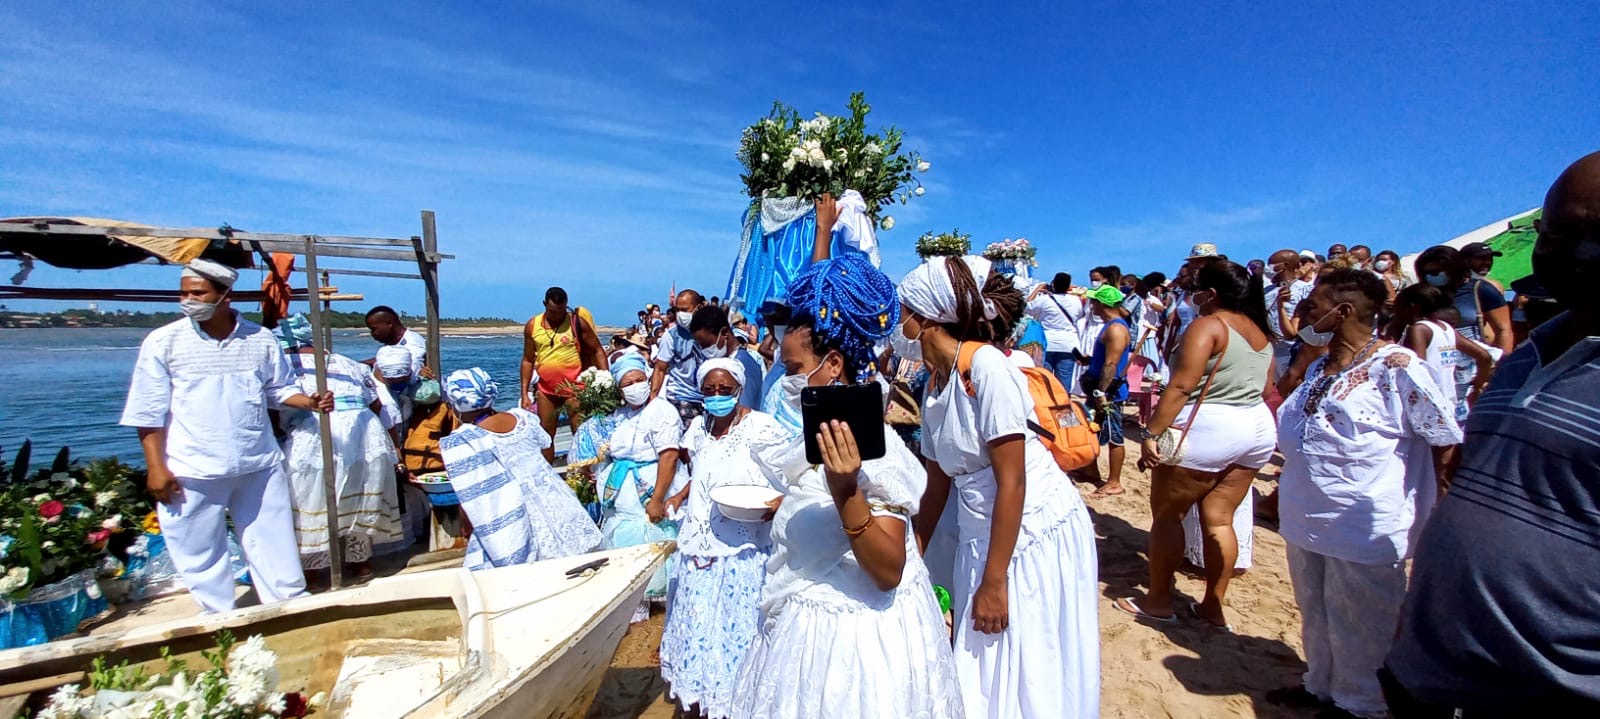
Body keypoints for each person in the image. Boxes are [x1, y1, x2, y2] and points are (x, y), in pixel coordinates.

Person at [1383, 150, 1600, 717]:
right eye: (1553, 231)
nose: (1560, 250)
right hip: (1431, 671)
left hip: (1548, 693)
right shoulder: (1523, 361)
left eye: (1589, 233)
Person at [730, 251, 961, 719]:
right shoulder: (819, 438)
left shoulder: (876, 455)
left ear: (832, 364)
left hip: (851, 649)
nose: (786, 382)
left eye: (793, 371)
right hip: (805, 631)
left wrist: (845, 490)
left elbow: (887, 569)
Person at [902, 255, 1100, 719]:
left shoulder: (987, 369)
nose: (899, 321)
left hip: (1027, 536)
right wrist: (913, 551)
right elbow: (936, 484)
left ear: (928, 318)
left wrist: (995, 581)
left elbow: (1014, 481)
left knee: (1027, 656)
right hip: (982, 534)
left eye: (905, 310)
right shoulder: (933, 383)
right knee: (984, 656)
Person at [1268, 269, 1461, 718]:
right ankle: (1320, 684)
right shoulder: (1318, 366)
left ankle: (1362, 705)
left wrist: (1441, 508)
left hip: (1366, 520)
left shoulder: (1397, 366)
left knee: (1363, 618)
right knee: (1314, 607)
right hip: (1307, 512)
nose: (1303, 315)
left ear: (1344, 311)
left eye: (1312, 307)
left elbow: (1443, 438)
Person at [120, 259, 332, 613]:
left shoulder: (259, 339)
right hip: (193, 465)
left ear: (224, 296)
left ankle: (288, 606)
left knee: (273, 539)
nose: (188, 299)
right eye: (184, 292)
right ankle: (217, 613)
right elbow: (148, 410)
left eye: (198, 293)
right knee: (197, 547)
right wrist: (155, 467)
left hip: (257, 461)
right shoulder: (164, 342)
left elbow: (279, 390)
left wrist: (309, 401)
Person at [1113, 261, 1276, 629]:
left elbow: (1181, 385)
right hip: (1255, 426)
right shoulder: (1260, 332)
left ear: (1211, 294)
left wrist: (1152, 432)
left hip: (1211, 426)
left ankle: (1157, 600)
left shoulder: (1210, 325)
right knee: (1220, 520)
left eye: (1197, 289)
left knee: (1168, 516)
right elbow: (1267, 389)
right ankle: (1212, 606)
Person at [660, 358, 788, 719]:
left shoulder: (762, 428)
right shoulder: (698, 429)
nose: (717, 396)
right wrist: (680, 496)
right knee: (698, 626)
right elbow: (701, 470)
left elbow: (792, 471)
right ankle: (700, 698)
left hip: (742, 549)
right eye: (710, 391)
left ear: (738, 389)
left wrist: (779, 501)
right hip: (699, 543)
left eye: (724, 390)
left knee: (737, 630)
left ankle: (736, 700)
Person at [272, 314, 404, 579]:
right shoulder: (347, 362)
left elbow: (276, 409)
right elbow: (376, 404)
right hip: (365, 433)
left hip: (319, 432)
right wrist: (394, 446)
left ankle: (314, 568)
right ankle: (360, 562)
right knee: (360, 494)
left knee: (311, 496)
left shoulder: (287, 366)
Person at [438, 368, 602, 569]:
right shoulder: (522, 418)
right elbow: (544, 443)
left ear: (458, 403)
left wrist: (467, 524)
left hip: (511, 509)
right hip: (555, 499)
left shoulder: (466, 439)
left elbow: (472, 490)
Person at [569, 353, 683, 622]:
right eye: (628, 383)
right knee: (626, 543)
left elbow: (669, 456)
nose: (635, 386)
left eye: (639, 379)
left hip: (650, 486)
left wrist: (657, 498)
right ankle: (635, 605)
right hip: (622, 495)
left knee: (654, 538)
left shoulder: (661, 411)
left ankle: (663, 607)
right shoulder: (617, 417)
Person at [519, 287, 607, 462]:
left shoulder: (577, 322)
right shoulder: (532, 326)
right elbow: (528, 360)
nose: (558, 315)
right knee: (545, 435)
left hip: (575, 389)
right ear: (545, 305)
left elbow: (598, 350)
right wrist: (524, 393)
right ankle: (547, 477)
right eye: (553, 311)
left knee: (581, 432)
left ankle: (584, 475)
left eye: (562, 311)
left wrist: (606, 380)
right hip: (546, 390)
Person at [1391, 284, 1495, 424]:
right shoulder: (1445, 328)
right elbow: (1484, 356)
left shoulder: (1419, 329)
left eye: (1398, 306)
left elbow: (1417, 371)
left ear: (1413, 306)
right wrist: (1478, 386)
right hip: (1448, 403)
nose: (1395, 311)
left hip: (1427, 407)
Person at [1414, 245, 1514, 357]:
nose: (1431, 276)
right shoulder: (1421, 295)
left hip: (1477, 365)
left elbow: (1503, 330)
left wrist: (1503, 365)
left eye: (1437, 272)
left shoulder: (1481, 289)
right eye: (1427, 273)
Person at [1081, 284, 1132, 499]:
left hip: (1109, 392)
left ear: (1101, 304)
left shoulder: (1116, 329)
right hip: (1100, 387)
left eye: (1094, 302)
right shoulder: (1110, 326)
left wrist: (1100, 393)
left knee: (1114, 436)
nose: (1091, 305)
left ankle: (1114, 482)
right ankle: (1090, 469)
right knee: (1089, 427)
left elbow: (1111, 364)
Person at [650, 289, 712, 423]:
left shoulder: (712, 333)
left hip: (710, 398)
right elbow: (660, 368)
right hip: (681, 396)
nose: (680, 314)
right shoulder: (671, 336)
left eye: (685, 310)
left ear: (699, 308)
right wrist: (653, 398)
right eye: (677, 310)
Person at [1026, 272, 1086, 393]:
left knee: (1044, 379)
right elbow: (1080, 315)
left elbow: (1026, 307)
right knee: (1064, 381)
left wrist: (1038, 289)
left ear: (1053, 284)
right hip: (1069, 345)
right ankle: (1063, 406)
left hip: (1047, 343)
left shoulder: (1044, 300)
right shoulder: (1076, 301)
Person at [1264, 249, 1316, 382]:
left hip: (1294, 351)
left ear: (1285, 266)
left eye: (1272, 265)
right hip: (1271, 351)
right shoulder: (1265, 292)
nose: (1269, 269)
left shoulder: (1307, 290)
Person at [364, 306, 426, 380]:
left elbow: (408, 369)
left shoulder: (412, 344)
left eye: (373, 329)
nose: (372, 333)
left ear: (389, 324)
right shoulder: (395, 342)